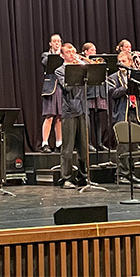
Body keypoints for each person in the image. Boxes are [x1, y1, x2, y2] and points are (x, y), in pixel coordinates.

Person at [107, 51, 140, 185]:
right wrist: (126, 88)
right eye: (119, 61)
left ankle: (131, 172)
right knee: (124, 145)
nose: (121, 64)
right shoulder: (113, 78)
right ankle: (121, 173)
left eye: (124, 61)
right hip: (122, 113)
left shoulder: (135, 76)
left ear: (130, 63)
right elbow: (112, 93)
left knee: (134, 146)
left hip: (135, 112)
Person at [55, 43, 89, 189]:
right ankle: (66, 178)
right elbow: (67, 87)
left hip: (83, 109)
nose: (72, 54)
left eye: (74, 51)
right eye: (69, 52)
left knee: (84, 147)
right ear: (62, 55)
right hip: (69, 111)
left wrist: (85, 67)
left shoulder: (82, 67)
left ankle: (84, 177)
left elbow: (93, 83)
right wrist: (78, 70)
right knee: (67, 148)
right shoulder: (60, 70)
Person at [82, 42, 110, 152]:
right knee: (88, 120)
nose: (94, 52)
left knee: (98, 120)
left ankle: (99, 142)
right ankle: (88, 143)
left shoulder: (98, 62)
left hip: (99, 93)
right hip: (89, 93)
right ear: (86, 52)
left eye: (94, 50)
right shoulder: (83, 62)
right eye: (92, 50)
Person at [40, 34, 63, 153]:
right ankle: (45, 143)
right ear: (50, 43)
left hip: (61, 87)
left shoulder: (64, 54)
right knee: (49, 116)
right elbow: (46, 63)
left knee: (59, 117)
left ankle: (59, 143)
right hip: (50, 89)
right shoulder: (46, 55)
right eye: (54, 41)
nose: (57, 43)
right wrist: (57, 54)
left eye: (59, 41)